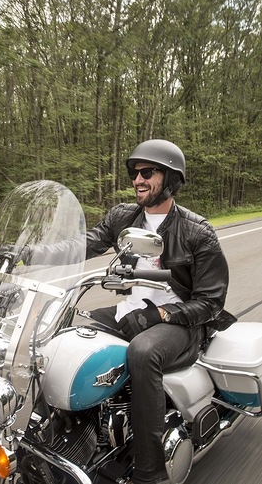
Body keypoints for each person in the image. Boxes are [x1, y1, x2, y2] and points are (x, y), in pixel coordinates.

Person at [85, 139, 233, 484]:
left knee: (143, 352)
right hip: (131, 309)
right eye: (135, 173)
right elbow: (85, 241)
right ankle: (81, 438)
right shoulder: (124, 217)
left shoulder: (196, 231)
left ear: (170, 178)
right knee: (69, 336)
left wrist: (162, 314)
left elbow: (211, 302)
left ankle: (151, 474)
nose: (138, 179)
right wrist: (30, 250)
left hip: (183, 321)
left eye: (147, 172)